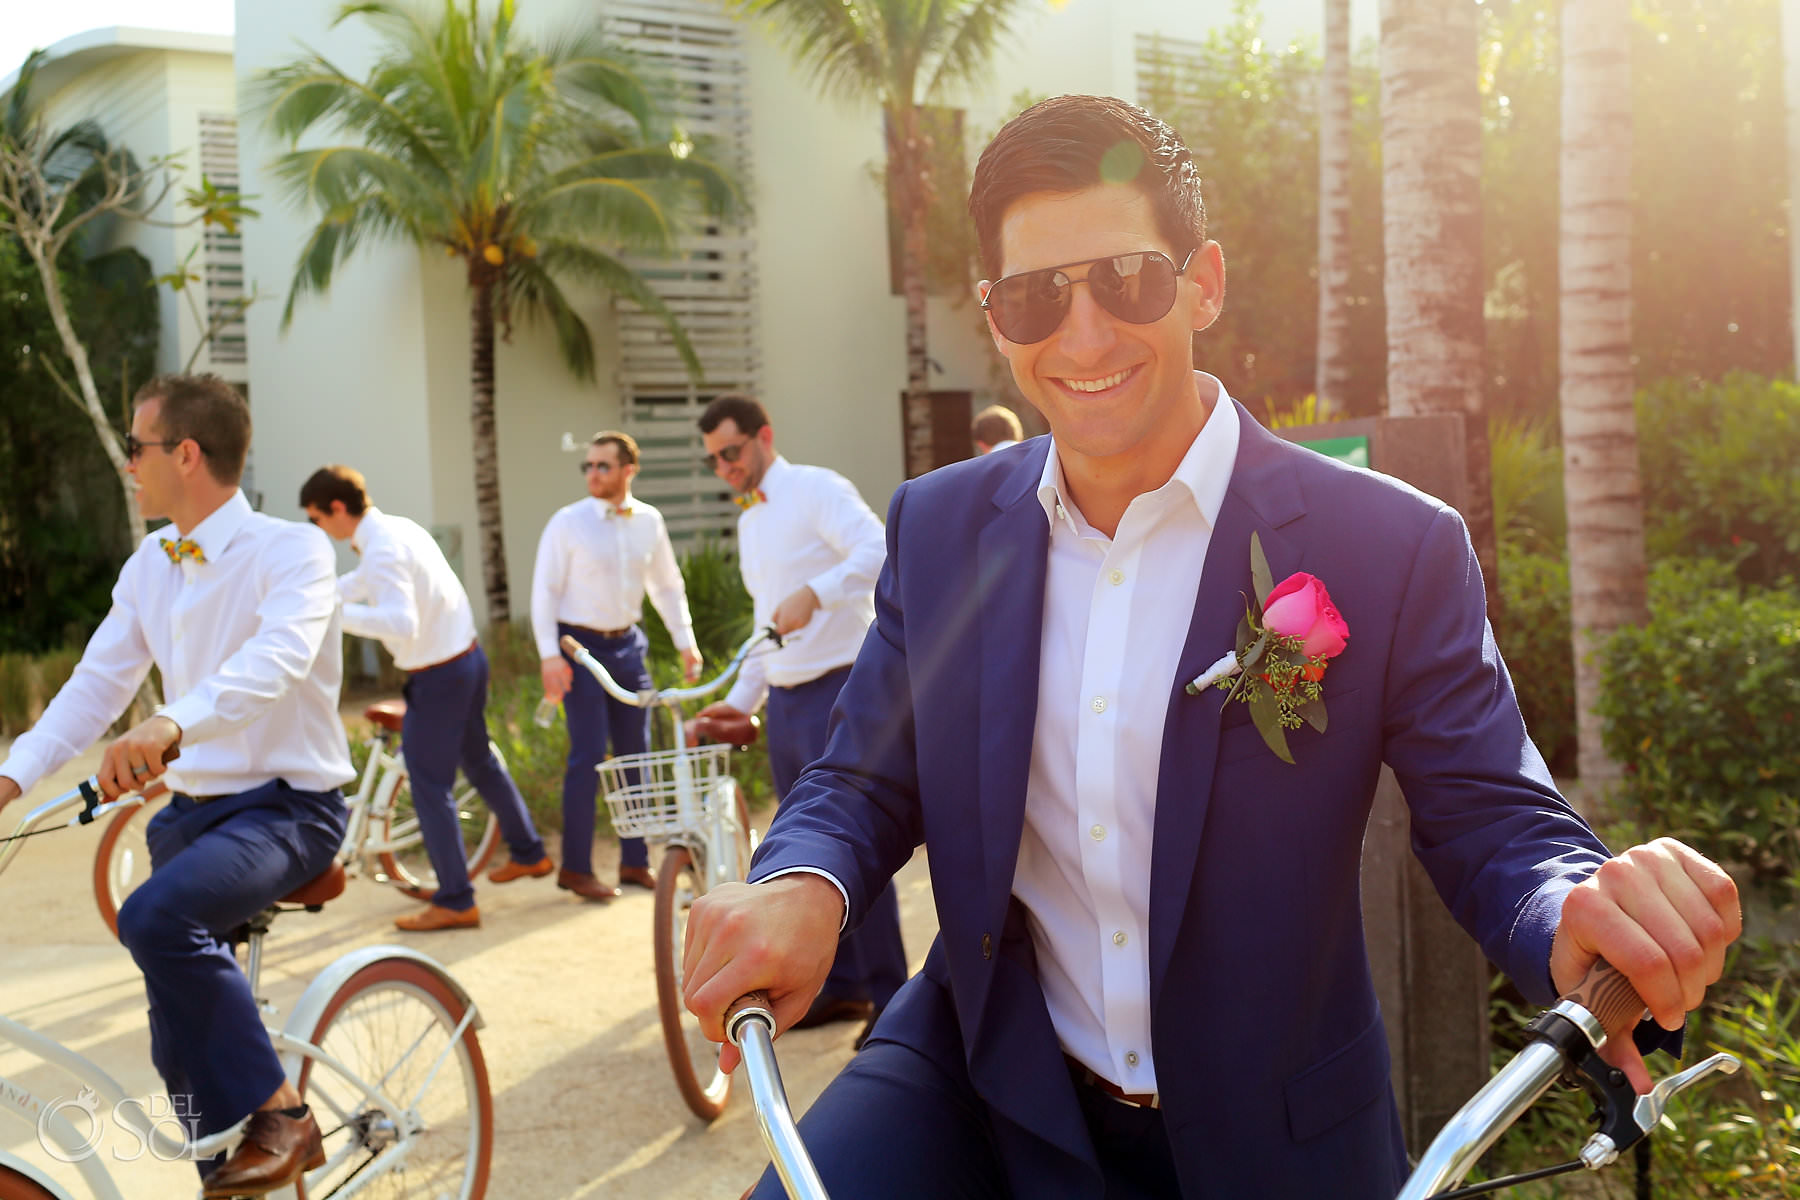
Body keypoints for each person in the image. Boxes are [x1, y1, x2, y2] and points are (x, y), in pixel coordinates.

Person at [678, 96, 1741, 1200]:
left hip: (1279, 1127)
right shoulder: (938, 528)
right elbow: (860, 777)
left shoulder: (1390, 545)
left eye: (1128, 279)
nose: (1082, 337)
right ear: (997, 318)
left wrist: (1573, 903)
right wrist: (804, 881)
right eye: (1039, 296)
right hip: (985, 1079)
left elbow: (1490, 813)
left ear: (1204, 283)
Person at [0, 374, 356, 1197]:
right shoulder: (152, 564)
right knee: (178, 1042)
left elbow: (277, 663)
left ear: (186, 454)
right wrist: (12, 777)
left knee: (153, 918)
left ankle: (286, 1116)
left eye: (137, 446)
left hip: (288, 810)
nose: (129, 462)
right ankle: (224, 1172)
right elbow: (93, 688)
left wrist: (170, 724)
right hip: (190, 821)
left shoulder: (292, 550)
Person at [692, 394, 909, 1035]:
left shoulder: (816, 489)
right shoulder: (749, 522)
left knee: (853, 843)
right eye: (713, 461)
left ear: (763, 437)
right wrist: (737, 702)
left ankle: (892, 1002)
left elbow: (879, 549)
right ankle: (838, 987)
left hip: (842, 688)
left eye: (731, 452)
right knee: (806, 853)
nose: (724, 467)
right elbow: (767, 624)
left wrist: (818, 593)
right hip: (786, 702)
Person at [300, 464, 555, 932]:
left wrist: (332, 612)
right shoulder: (397, 528)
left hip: (439, 677)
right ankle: (530, 853)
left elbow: (401, 624)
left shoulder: (382, 548)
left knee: (430, 788)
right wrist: (319, 595)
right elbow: (363, 584)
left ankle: (456, 901)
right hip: (466, 661)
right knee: (480, 763)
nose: (319, 530)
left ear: (337, 509)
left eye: (317, 519)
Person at [532, 431, 703, 900]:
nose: (593, 474)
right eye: (587, 466)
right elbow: (544, 591)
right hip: (578, 648)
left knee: (637, 755)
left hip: (629, 646)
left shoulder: (649, 520)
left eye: (603, 466)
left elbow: (667, 586)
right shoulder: (567, 523)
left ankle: (635, 863)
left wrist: (685, 642)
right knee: (587, 756)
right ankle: (576, 868)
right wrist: (549, 655)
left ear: (629, 469)